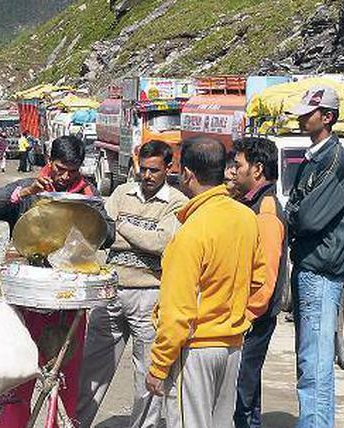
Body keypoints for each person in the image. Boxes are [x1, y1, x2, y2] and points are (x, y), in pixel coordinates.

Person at [0, 135, 115, 428]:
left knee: (66, 377)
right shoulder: (30, 188)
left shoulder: (87, 192)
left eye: (72, 171)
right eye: (60, 168)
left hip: (68, 301)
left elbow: (109, 234)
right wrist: (24, 192)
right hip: (27, 300)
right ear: (49, 161)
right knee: (20, 377)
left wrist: (90, 215)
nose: (65, 177)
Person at [145, 137, 266, 428]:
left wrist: (159, 365)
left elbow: (177, 312)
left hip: (196, 349)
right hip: (232, 346)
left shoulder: (191, 233)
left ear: (187, 173)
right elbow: (258, 281)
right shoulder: (246, 217)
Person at [77, 141, 188, 428]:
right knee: (92, 369)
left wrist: (122, 227)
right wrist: (132, 235)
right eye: (144, 169)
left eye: (154, 170)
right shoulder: (121, 192)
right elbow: (101, 233)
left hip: (149, 296)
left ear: (168, 168)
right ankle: (75, 423)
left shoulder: (177, 202)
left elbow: (161, 243)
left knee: (147, 374)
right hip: (111, 291)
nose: (147, 176)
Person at [284, 86, 344, 428]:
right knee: (309, 360)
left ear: (327, 117)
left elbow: (308, 217)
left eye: (308, 113)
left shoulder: (335, 160)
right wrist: (295, 211)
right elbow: (298, 208)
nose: (301, 118)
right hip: (310, 266)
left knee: (315, 363)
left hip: (321, 271)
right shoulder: (315, 157)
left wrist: (294, 213)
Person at [225, 137, 287, 428]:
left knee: (242, 395)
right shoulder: (249, 203)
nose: (233, 171)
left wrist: (248, 316)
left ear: (258, 169)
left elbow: (267, 276)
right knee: (246, 390)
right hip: (246, 316)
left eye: (238, 166)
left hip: (253, 319)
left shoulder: (266, 211)